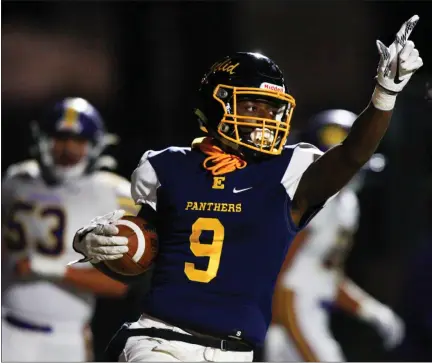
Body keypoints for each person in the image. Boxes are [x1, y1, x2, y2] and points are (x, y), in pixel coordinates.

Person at [72, 15, 423, 362]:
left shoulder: (288, 171)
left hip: (236, 353)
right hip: (161, 342)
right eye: (252, 105)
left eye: (272, 110)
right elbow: (139, 249)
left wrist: (384, 93)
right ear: (216, 103)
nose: (264, 120)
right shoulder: (167, 167)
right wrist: (89, 241)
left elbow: (351, 155)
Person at [1, 97, 138, 362]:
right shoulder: (17, 178)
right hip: (6, 326)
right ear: (43, 139)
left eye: (78, 141)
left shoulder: (114, 194)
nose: (68, 149)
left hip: (66, 338)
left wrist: (51, 269)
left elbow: (120, 284)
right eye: (60, 138)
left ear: (95, 145)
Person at [264, 109, 404, 362]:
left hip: (309, 310)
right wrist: (277, 320)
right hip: (291, 309)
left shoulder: (345, 203)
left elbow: (325, 272)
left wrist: (367, 308)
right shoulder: (312, 198)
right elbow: (279, 271)